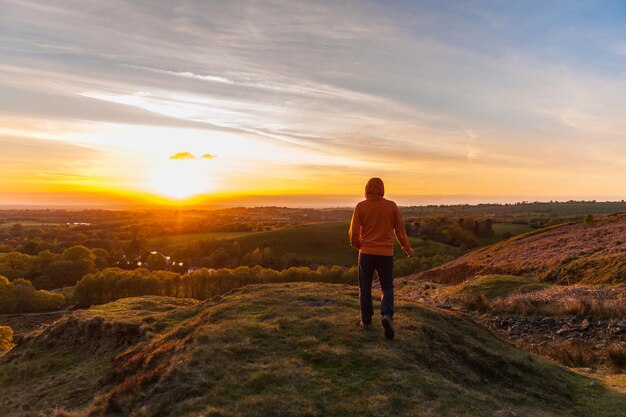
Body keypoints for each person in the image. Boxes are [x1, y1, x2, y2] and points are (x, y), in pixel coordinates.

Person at [348, 177, 414, 340]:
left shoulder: (361, 207)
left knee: (365, 287)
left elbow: (353, 233)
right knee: (387, 287)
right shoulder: (391, 206)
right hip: (385, 254)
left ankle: (367, 320)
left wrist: (359, 246)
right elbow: (400, 231)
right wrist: (407, 248)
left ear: (367, 189)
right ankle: (386, 315)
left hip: (366, 253)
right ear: (382, 189)